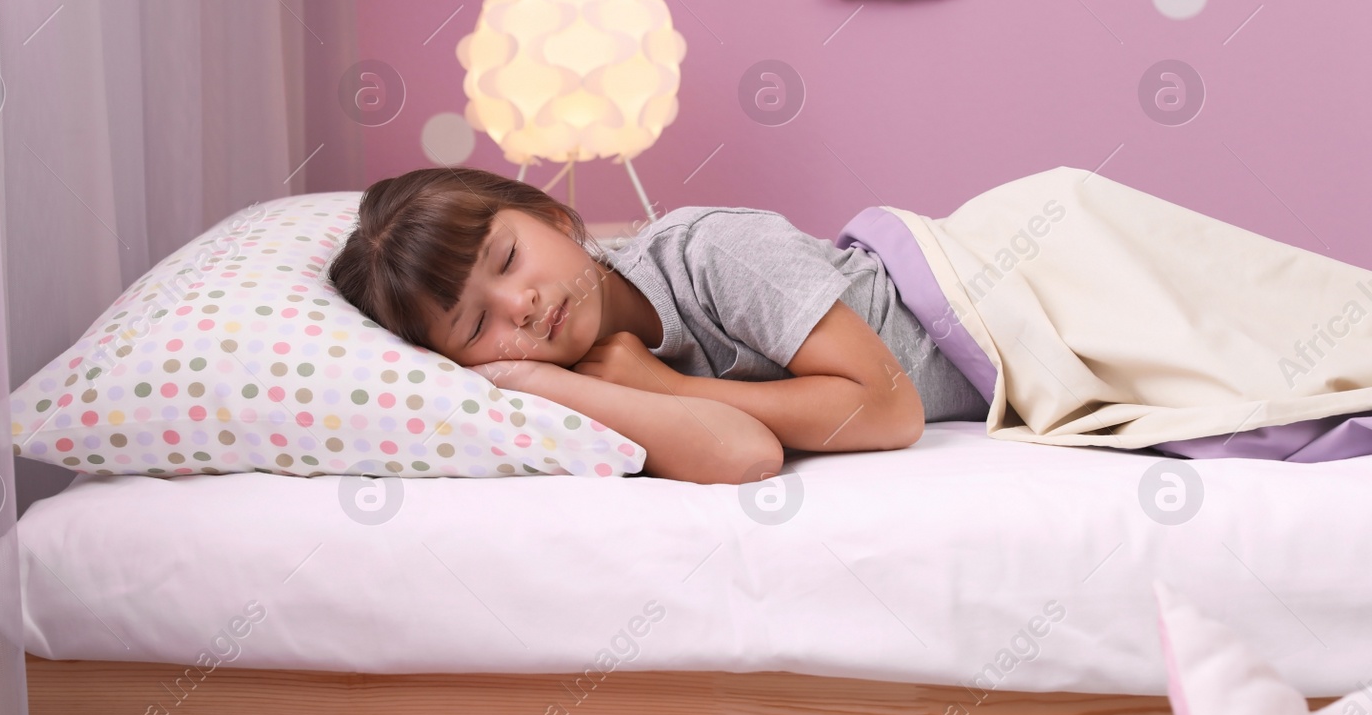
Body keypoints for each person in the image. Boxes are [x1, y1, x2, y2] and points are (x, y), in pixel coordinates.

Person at [328, 166, 990, 485]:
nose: (520, 304)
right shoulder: (572, 386)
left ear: (553, 215)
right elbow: (748, 453)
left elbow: (888, 410)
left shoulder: (712, 252)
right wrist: (558, 386)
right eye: (476, 325)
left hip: (993, 287)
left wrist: (663, 387)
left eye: (507, 257)